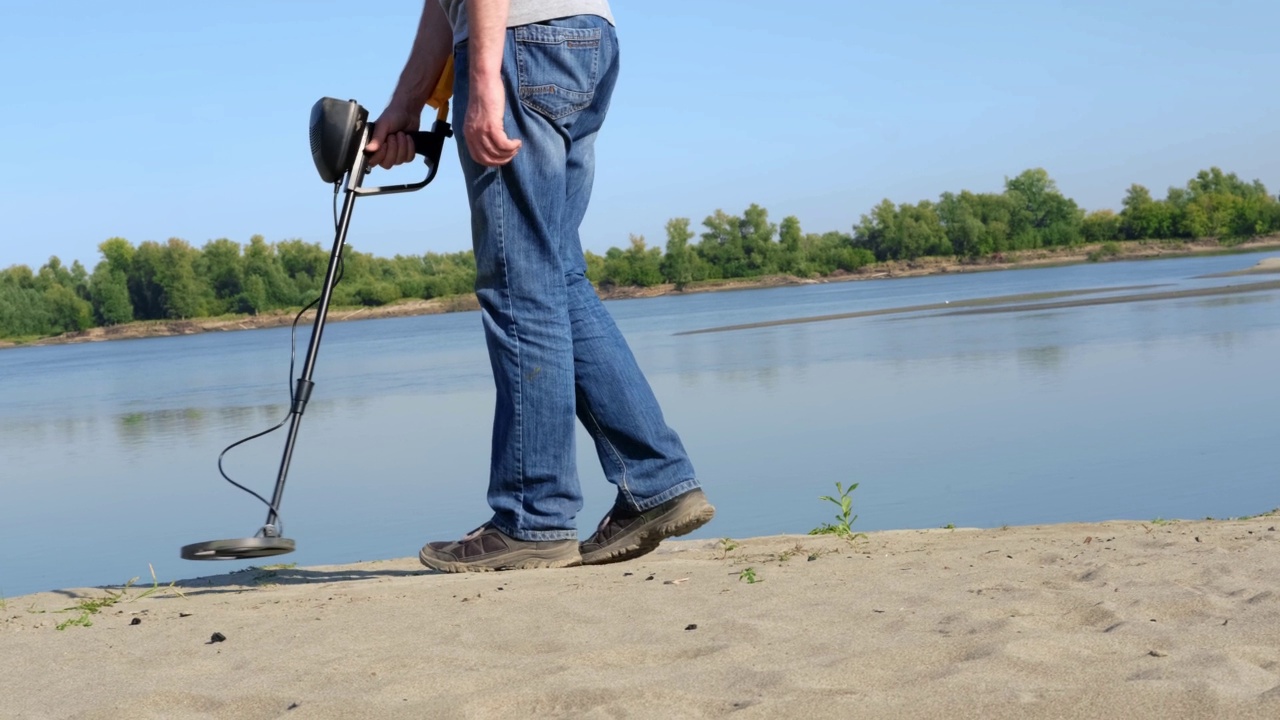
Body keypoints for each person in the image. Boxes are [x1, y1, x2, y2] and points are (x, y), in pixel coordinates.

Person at [366, 0, 713, 572]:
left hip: (517, 43)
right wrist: (405, 107)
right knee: (555, 273)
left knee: (519, 281)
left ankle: (534, 518)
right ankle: (659, 482)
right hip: (582, 39)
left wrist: (482, 85)